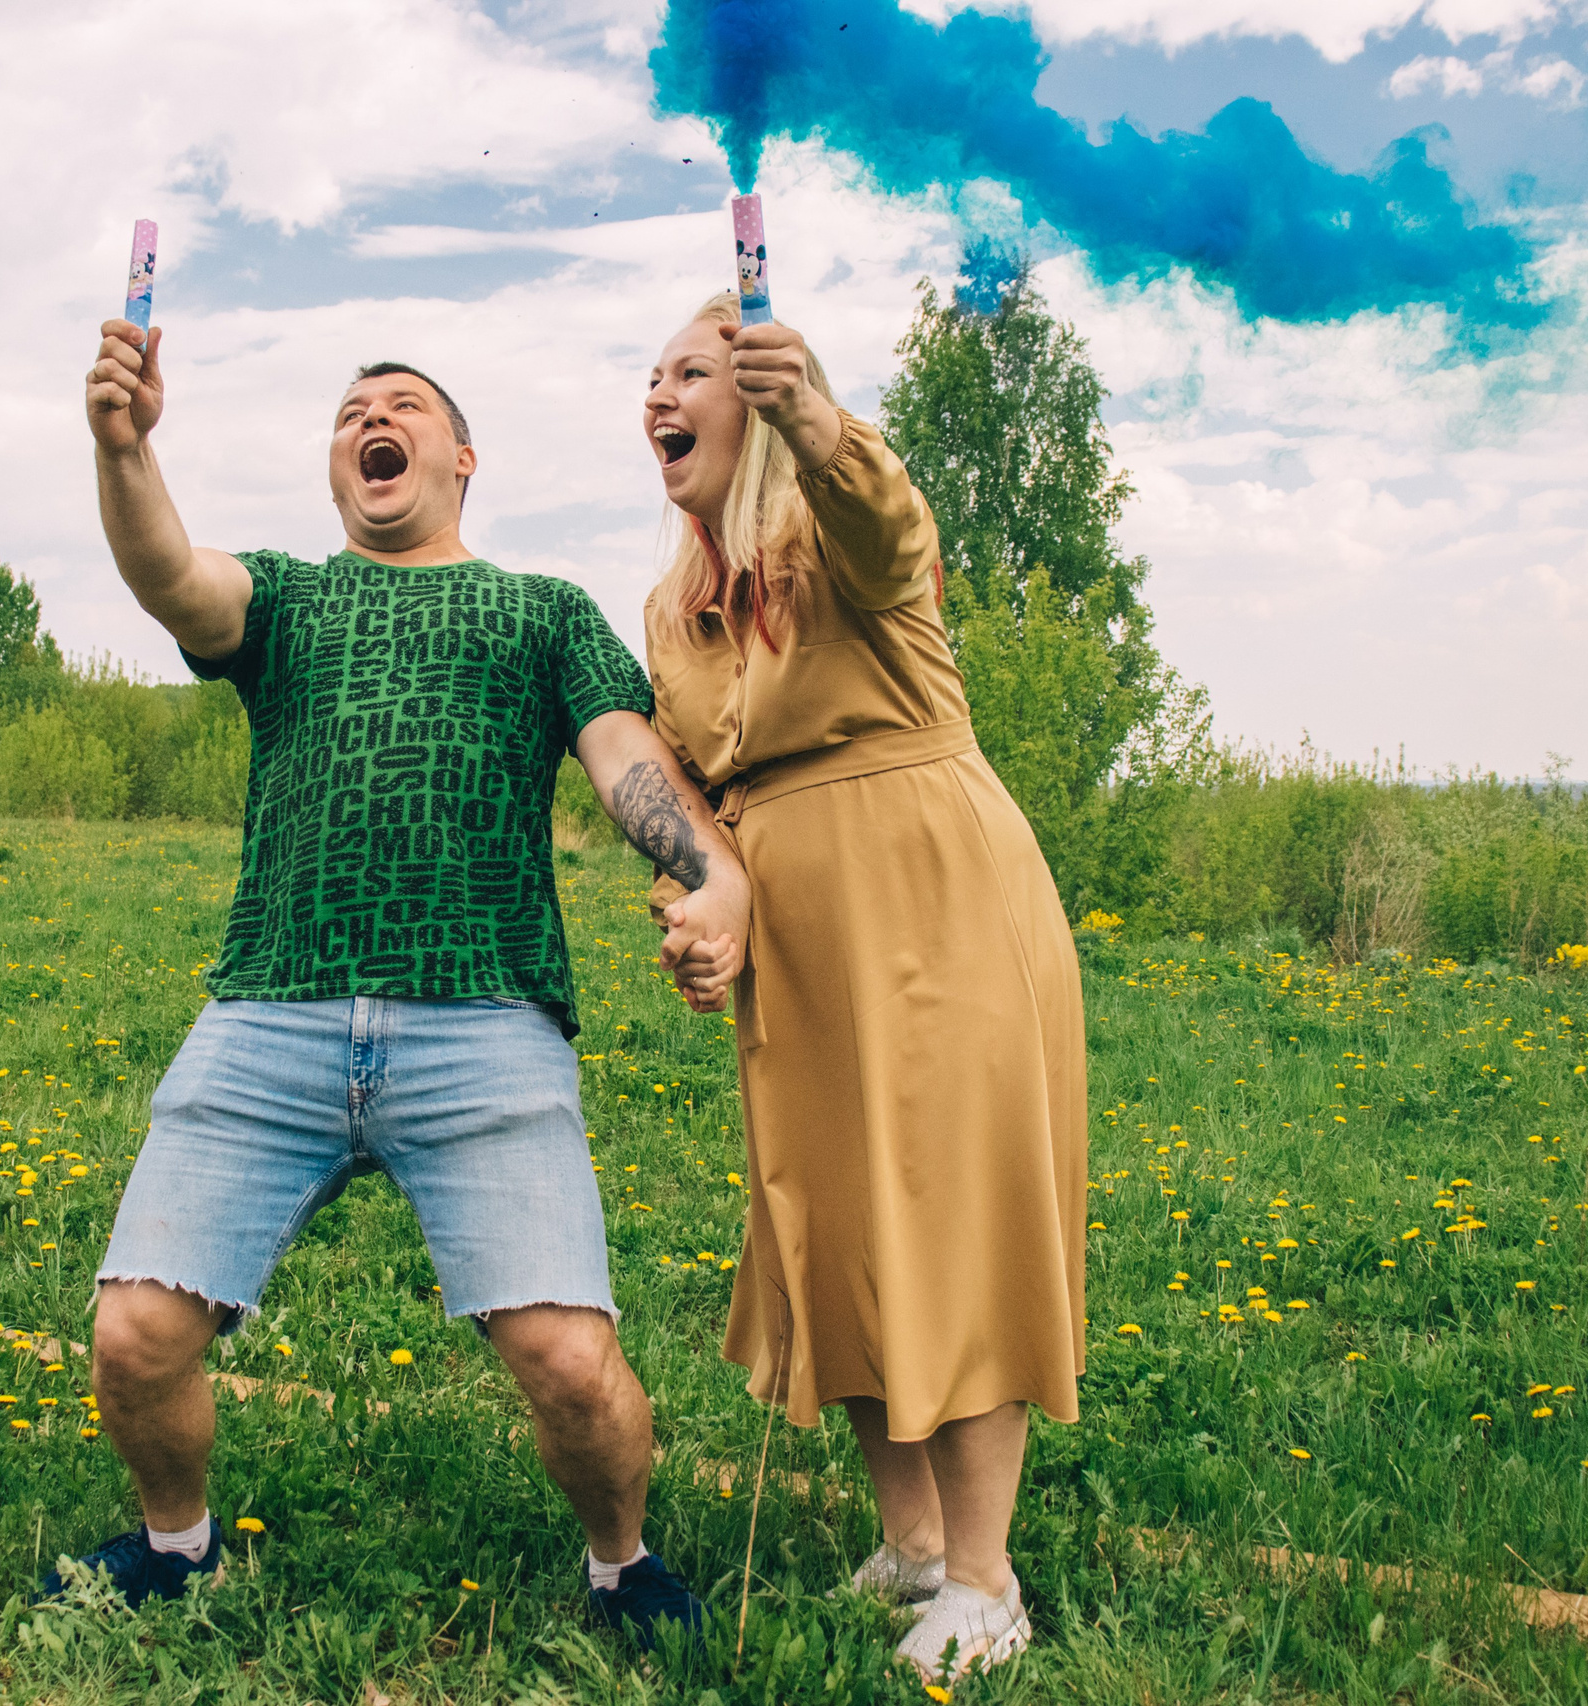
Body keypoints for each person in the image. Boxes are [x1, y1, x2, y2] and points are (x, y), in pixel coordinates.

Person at [56, 313, 751, 1650]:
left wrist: (715, 876)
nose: (370, 418)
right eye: (348, 412)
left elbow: (626, 761)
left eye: (400, 403)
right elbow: (168, 575)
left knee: (571, 1365)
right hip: (272, 1006)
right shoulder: (287, 600)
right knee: (133, 1332)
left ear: (461, 457)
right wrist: (124, 447)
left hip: (483, 1023)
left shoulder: (541, 610)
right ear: (340, 471)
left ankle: (624, 1563)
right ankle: (175, 1548)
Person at [637, 292, 1088, 1683]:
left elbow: (895, 534)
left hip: (936, 899)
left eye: (695, 370)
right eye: (652, 377)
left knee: (950, 1218)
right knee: (835, 1229)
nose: (661, 394)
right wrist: (706, 904)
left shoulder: (835, 529)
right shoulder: (676, 605)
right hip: (805, 945)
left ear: (765, 397)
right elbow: (692, 790)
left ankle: (986, 1576)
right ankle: (907, 1538)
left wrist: (821, 428)